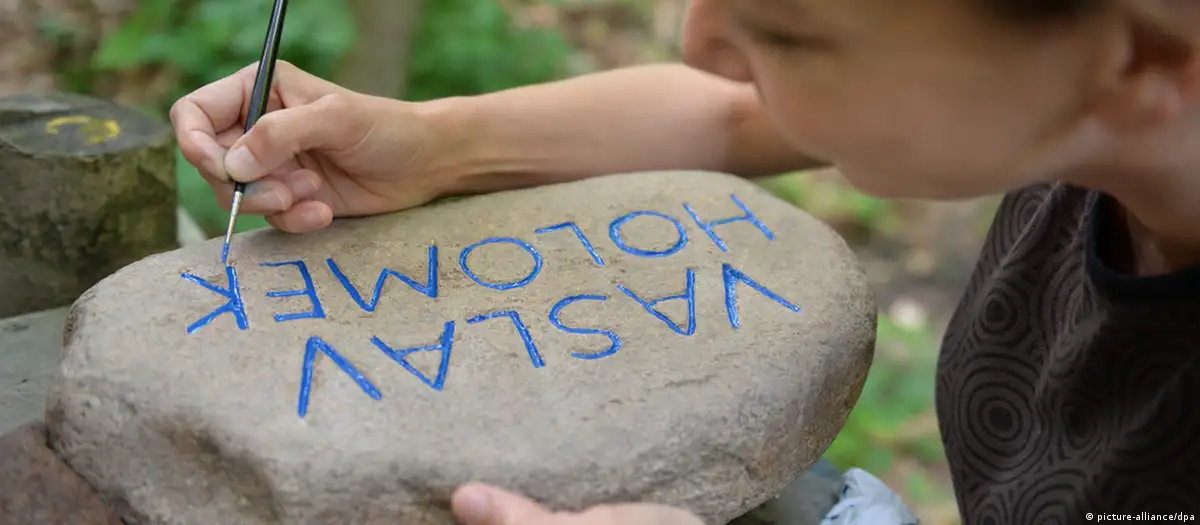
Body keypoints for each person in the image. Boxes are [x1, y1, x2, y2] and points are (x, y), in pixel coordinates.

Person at [170, 0, 1200, 523]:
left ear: (1138, 61)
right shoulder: (1092, 108)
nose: (697, 38)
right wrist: (433, 147)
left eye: (791, 33)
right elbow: (733, 114)